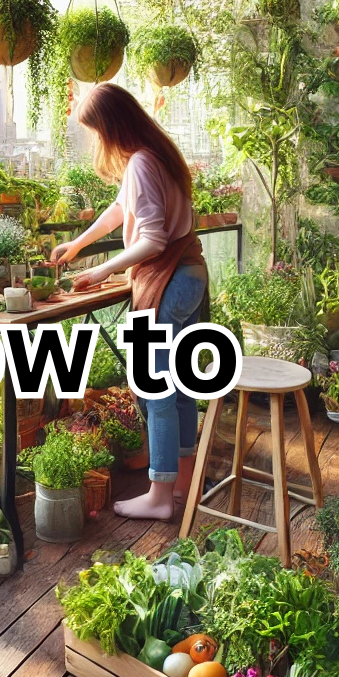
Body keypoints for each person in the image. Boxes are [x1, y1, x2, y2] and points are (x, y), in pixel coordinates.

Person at [49, 82, 207, 520]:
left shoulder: (140, 163)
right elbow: (120, 209)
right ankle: (183, 483)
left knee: (158, 390)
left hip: (168, 281)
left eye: (96, 130)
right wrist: (80, 244)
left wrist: (104, 270)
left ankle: (158, 496)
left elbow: (153, 239)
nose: (97, 141)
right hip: (189, 277)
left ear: (110, 127)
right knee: (180, 390)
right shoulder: (157, 156)